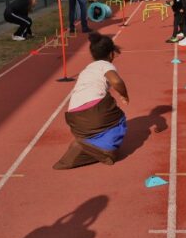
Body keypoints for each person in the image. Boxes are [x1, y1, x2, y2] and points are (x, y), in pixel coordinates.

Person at [53, 32, 129, 170]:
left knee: (106, 107)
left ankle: (87, 143)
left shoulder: (86, 70)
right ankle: (104, 151)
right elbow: (116, 81)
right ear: (111, 54)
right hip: (94, 115)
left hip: (74, 121)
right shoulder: (105, 65)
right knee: (120, 119)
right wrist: (125, 95)